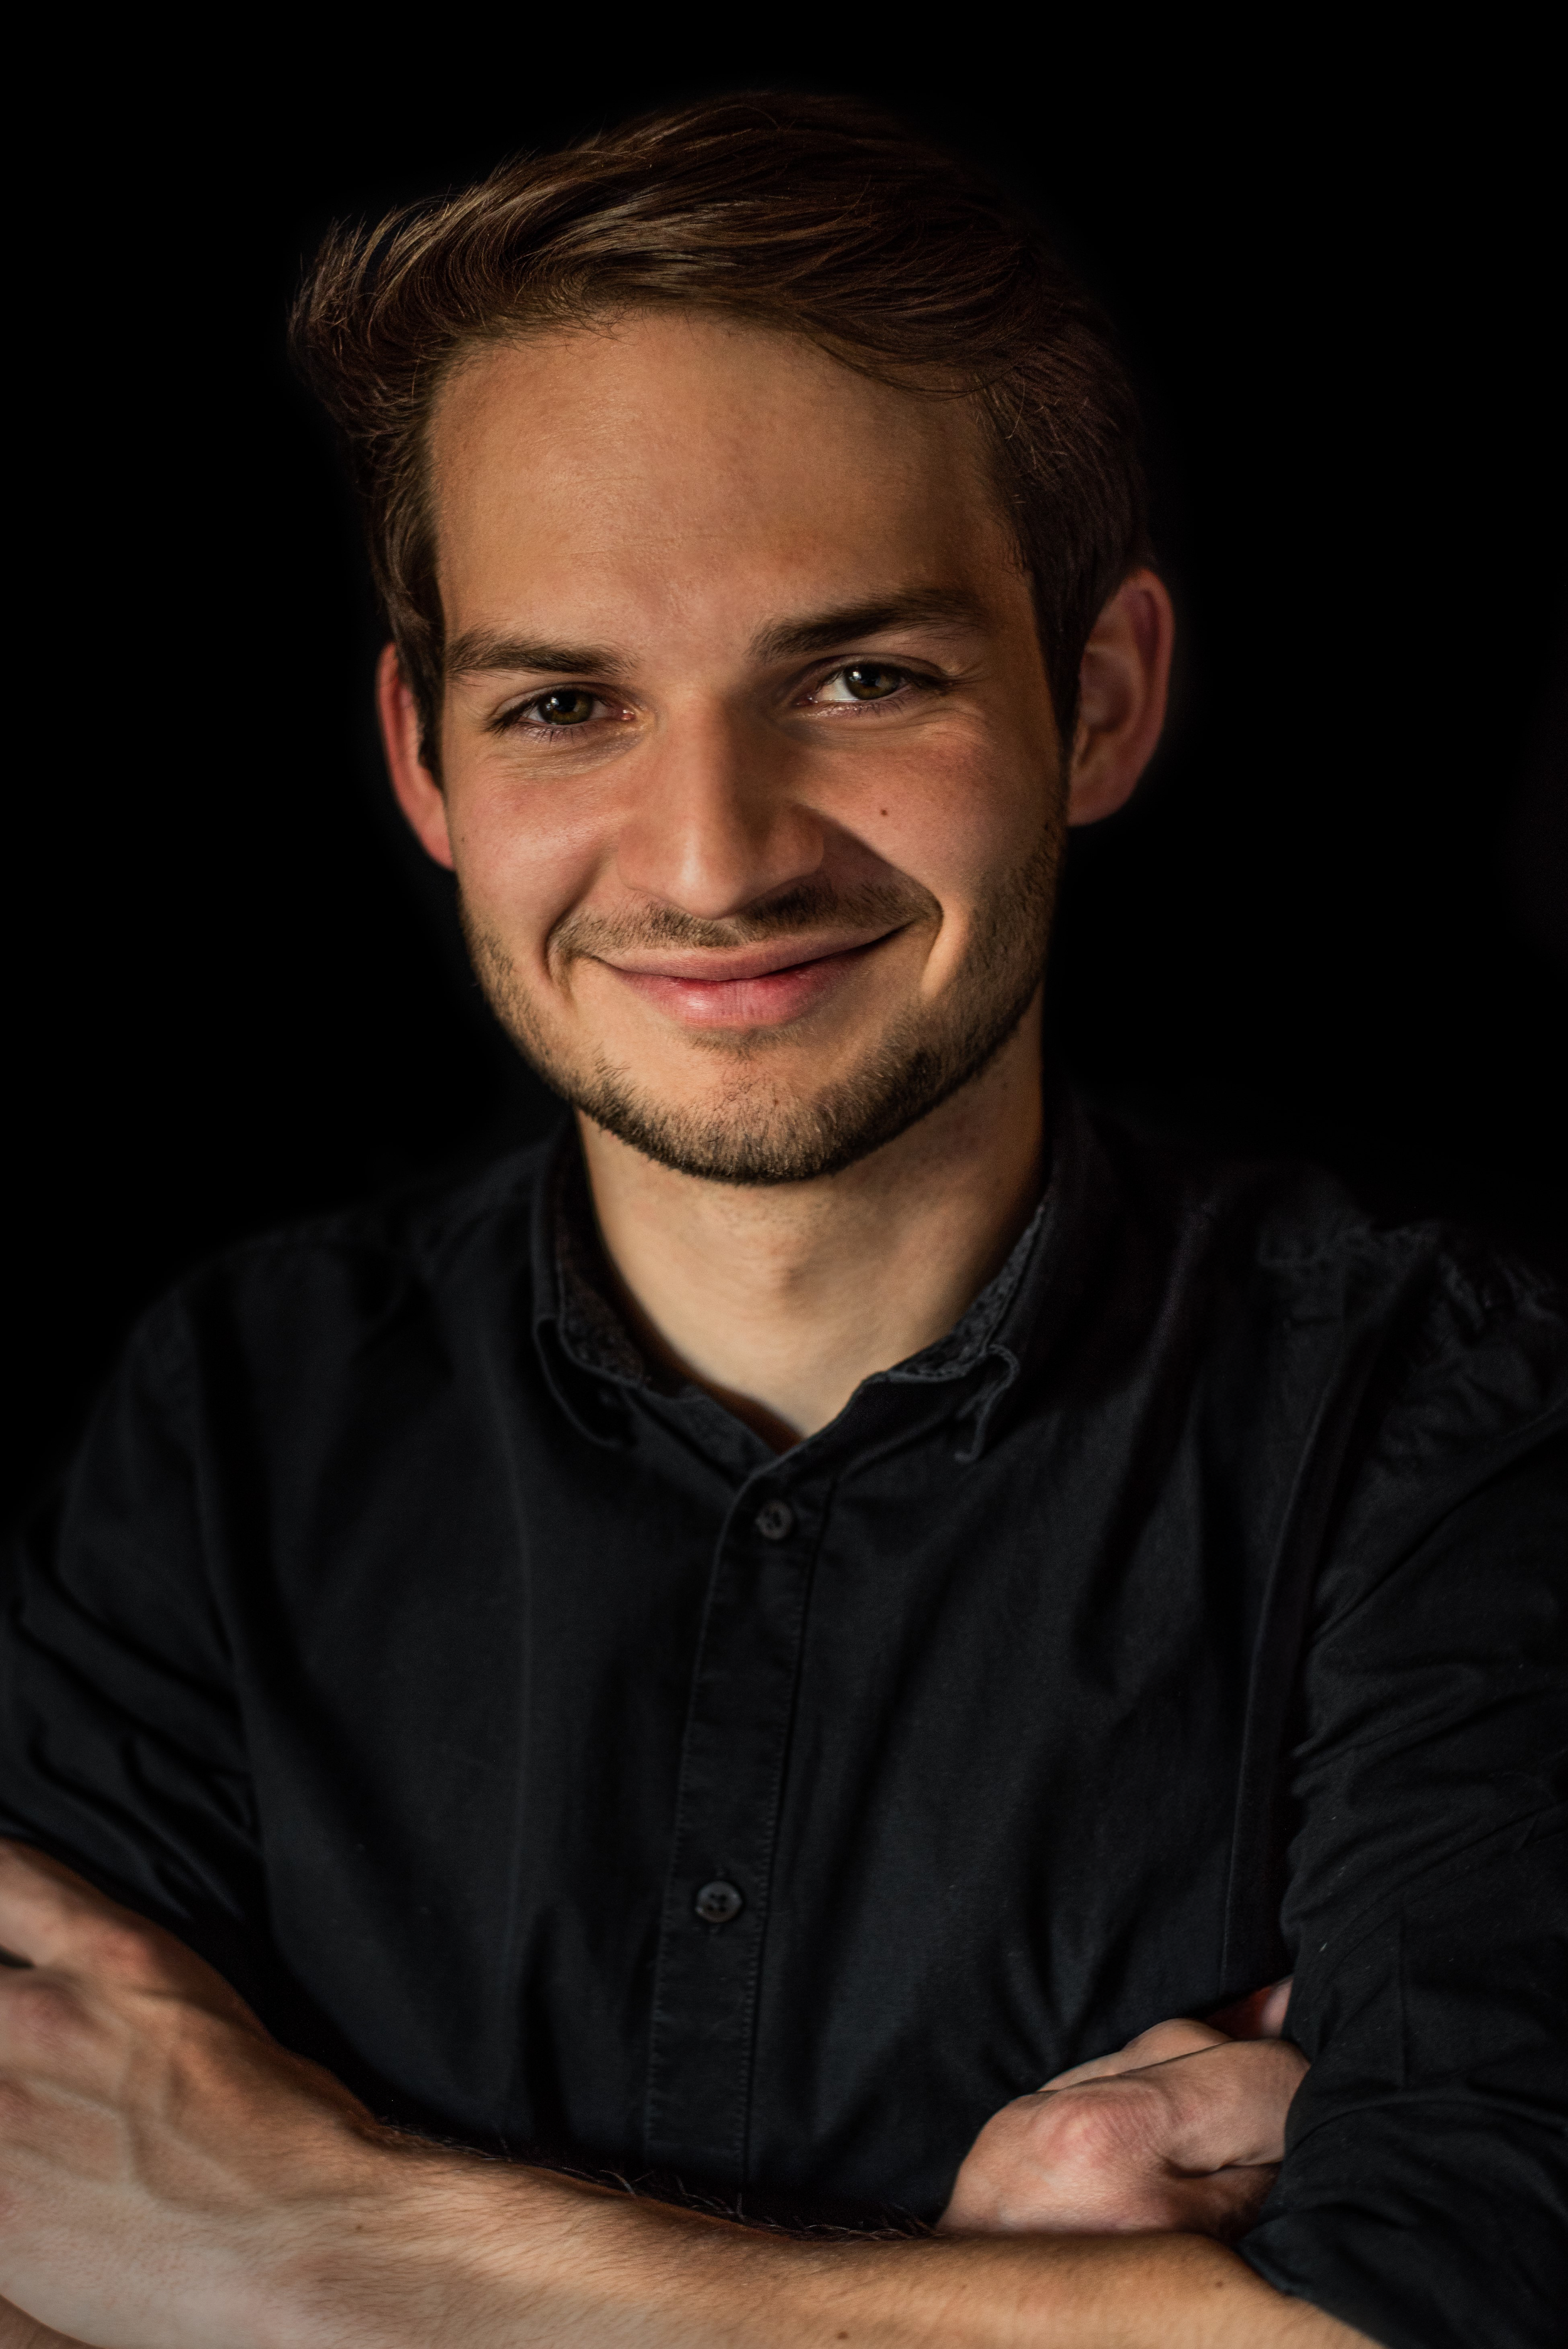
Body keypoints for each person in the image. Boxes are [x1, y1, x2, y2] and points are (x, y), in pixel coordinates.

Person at [1, 94, 1563, 2349]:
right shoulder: (235, 1416)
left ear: (1098, 697)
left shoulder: (1454, 1423)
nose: (714, 856)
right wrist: (1012, 2298)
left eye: (859, 678)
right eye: (564, 704)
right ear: (428, 765)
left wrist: (303, 2240)